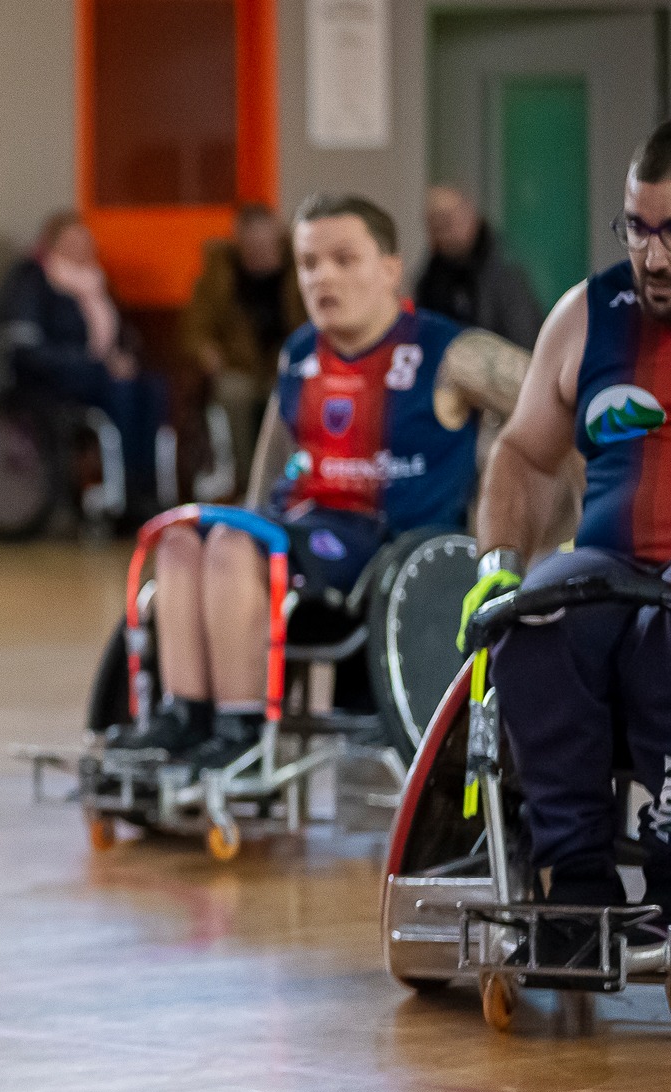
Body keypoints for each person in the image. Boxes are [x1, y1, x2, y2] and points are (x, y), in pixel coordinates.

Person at [112, 193, 528, 771]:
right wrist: (240, 522)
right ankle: (186, 716)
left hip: (388, 544)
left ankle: (241, 735)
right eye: (308, 263)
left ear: (390, 267)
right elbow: (265, 480)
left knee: (232, 546)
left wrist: (538, 517)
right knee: (184, 540)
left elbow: (557, 402)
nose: (321, 277)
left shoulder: (452, 352)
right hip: (303, 531)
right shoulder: (299, 353)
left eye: (343, 259)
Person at [466, 121, 671, 911]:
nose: (650, 257)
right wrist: (497, 570)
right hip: (610, 566)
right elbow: (521, 454)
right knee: (530, 615)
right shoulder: (588, 312)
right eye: (637, 228)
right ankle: (577, 885)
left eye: (670, 233)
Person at [0, 212, 169, 521]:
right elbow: (26, 346)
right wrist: (92, 364)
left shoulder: (97, 281)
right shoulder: (32, 279)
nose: (78, 248)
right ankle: (124, 493)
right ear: (51, 244)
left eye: (83, 241)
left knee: (151, 388)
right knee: (121, 391)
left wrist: (122, 356)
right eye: (69, 241)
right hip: (51, 377)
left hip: (97, 372)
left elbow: (121, 331)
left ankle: (143, 484)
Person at [178, 203, 305, 487]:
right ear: (240, 244)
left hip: (287, 365)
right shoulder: (219, 275)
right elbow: (195, 328)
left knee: (293, 394)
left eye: (265, 244)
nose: (260, 253)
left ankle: (291, 483)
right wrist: (206, 351)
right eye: (252, 246)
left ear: (278, 240)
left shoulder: (298, 273)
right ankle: (249, 481)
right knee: (234, 394)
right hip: (237, 367)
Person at [415, 185, 546, 350]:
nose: (442, 232)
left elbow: (523, 338)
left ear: (469, 214)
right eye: (434, 224)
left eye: (447, 221)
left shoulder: (504, 268)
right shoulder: (431, 276)